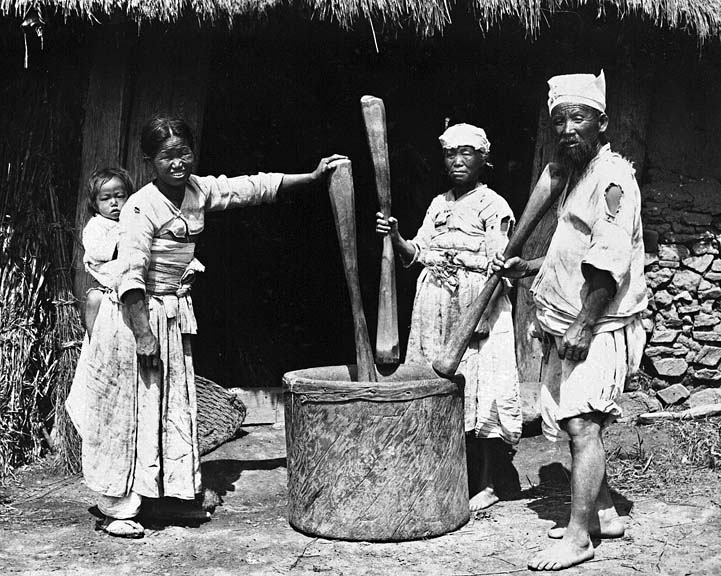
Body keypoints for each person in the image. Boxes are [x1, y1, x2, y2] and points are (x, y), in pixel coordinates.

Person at [67, 114, 345, 538]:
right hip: (133, 318)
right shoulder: (140, 206)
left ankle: (165, 498)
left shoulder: (198, 190)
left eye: (184, 153)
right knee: (130, 408)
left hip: (171, 314)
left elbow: (252, 186)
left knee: (168, 406)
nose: (177, 163)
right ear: (149, 161)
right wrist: (143, 334)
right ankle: (118, 509)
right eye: (166, 156)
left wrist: (311, 176)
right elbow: (131, 275)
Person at [492, 70, 647, 571]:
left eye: (577, 118)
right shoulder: (575, 176)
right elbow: (573, 252)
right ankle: (604, 513)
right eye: (558, 121)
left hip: (598, 323)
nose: (566, 130)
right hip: (571, 318)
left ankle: (579, 538)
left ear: (601, 122)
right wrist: (529, 266)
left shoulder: (613, 179)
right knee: (571, 423)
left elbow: (608, 261)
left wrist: (583, 322)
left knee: (583, 427)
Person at [376, 123, 522, 512]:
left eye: (467, 153)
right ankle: (442, 471)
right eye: (450, 153)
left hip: (476, 305)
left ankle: (488, 482)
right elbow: (417, 252)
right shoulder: (438, 204)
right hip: (434, 304)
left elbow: (501, 259)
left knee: (481, 387)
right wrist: (395, 236)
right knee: (437, 384)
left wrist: (492, 267)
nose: (457, 161)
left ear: (483, 158)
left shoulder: (494, 205)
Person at [81, 167, 134, 337]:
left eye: (120, 196)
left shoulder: (132, 221)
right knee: (94, 299)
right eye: (106, 198)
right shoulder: (96, 226)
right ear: (95, 204)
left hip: (130, 280)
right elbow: (98, 251)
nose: (114, 202)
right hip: (106, 281)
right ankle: (93, 341)